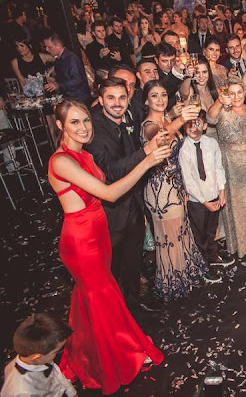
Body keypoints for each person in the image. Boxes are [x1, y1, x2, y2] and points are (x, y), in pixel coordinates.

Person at [48, 99, 166, 394]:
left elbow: (111, 179)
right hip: (81, 241)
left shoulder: (84, 155)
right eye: (74, 122)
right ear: (60, 125)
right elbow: (110, 193)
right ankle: (114, 360)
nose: (83, 127)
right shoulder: (61, 161)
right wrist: (147, 162)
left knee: (96, 301)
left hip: (98, 232)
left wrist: (146, 153)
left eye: (86, 120)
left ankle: (90, 355)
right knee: (102, 299)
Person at [84, 77, 160, 313]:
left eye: (121, 97)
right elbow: (111, 172)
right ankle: (116, 314)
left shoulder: (124, 120)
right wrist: (146, 152)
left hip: (132, 205)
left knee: (133, 261)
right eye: (111, 98)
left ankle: (133, 305)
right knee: (114, 268)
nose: (117, 103)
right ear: (100, 100)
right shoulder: (95, 131)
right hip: (112, 213)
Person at [141, 80, 215, 300]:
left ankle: (183, 277)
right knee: (170, 237)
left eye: (164, 95)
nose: (160, 99)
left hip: (176, 185)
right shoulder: (148, 125)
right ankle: (171, 283)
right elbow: (159, 137)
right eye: (154, 95)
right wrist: (181, 119)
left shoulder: (166, 119)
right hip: (161, 190)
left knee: (181, 232)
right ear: (146, 101)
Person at [206, 76, 246, 258]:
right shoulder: (221, 112)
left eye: (239, 92)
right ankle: (238, 245)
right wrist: (220, 101)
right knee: (235, 207)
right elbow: (209, 118)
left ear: (244, 92)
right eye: (231, 93)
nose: (236, 96)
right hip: (229, 167)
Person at [179, 111, 230, 266]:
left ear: (205, 126)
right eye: (189, 123)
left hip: (213, 195)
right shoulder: (184, 149)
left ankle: (212, 255)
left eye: (197, 123)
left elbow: (218, 168)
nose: (193, 127)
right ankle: (203, 264)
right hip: (197, 200)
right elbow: (189, 181)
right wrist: (204, 202)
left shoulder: (211, 143)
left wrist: (221, 192)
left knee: (211, 230)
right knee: (199, 233)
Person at [1, 313, 76, 397]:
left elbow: (57, 374)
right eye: (56, 352)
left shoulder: (39, 357)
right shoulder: (22, 392)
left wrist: (71, 392)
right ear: (37, 357)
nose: (57, 354)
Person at [43, 33, 91, 104]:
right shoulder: (58, 60)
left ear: (58, 46)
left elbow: (77, 80)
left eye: (49, 47)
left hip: (78, 99)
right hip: (69, 98)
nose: (47, 49)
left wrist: (58, 85)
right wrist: (54, 80)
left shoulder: (71, 59)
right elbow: (66, 77)